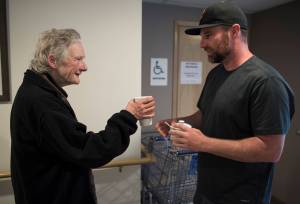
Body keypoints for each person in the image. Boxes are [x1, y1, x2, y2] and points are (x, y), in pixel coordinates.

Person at [156, 1, 294, 204]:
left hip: (242, 197)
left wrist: (203, 143)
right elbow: (204, 115)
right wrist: (177, 122)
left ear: (234, 31)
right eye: (202, 37)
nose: (202, 44)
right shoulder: (215, 74)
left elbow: (271, 150)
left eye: (208, 35)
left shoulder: (266, 82)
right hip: (207, 191)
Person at [10, 28, 155, 204]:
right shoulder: (41, 102)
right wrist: (128, 116)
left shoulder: (37, 92)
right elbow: (87, 151)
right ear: (52, 61)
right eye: (78, 59)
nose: (84, 66)